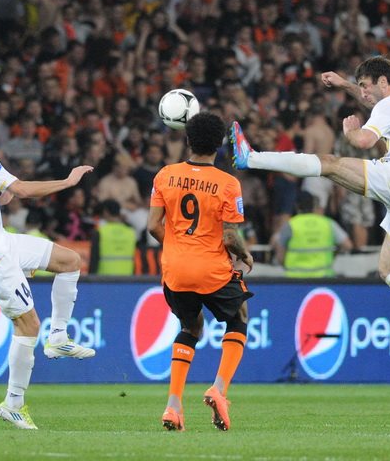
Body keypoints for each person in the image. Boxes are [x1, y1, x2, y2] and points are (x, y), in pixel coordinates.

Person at [231, 56, 390, 357]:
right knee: (389, 269)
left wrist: (351, 133)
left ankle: (251, 158)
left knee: (330, 164)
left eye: (365, 85)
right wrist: (346, 84)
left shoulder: (389, 106)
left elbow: (364, 141)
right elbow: (375, 101)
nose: (364, 93)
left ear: (383, 81)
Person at [0, 94, 95, 430]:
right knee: (28, 325)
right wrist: (68, 182)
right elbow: (23, 190)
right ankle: (12, 404)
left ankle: (59, 337)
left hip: (0, 240)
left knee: (70, 260)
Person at [148, 112, 254, 432]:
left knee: (190, 327)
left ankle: (173, 406)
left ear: (187, 140)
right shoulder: (228, 183)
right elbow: (230, 237)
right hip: (211, 270)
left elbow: (153, 226)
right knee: (239, 316)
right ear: (220, 144)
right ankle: (219, 389)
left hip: (175, 271)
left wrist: (179, 246)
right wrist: (244, 254)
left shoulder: (165, 175)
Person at [275, 191, 352, 278]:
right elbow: (347, 245)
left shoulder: (290, 225)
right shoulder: (327, 223)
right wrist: (333, 254)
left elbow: (280, 257)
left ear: (297, 206)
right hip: (323, 278)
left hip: (296, 279)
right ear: (314, 205)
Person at [89, 199, 136, 275]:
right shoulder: (131, 232)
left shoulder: (99, 232)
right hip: (127, 277)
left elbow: (94, 260)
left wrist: (90, 278)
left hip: (104, 278)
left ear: (105, 212)